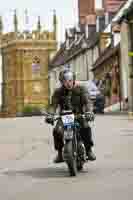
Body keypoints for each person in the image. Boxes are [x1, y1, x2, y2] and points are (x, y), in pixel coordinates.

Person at [46, 68, 96, 163]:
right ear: (62, 82)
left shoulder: (81, 89)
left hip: (79, 116)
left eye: (70, 80)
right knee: (57, 131)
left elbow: (87, 101)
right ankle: (60, 153)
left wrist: (89, 112)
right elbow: (53, 105)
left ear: (73, 79)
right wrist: (50, 115)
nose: (68, 83)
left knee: (86, 128)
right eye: (65, 81)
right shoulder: (58, 92)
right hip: (64, 117)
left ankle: (89, 150)